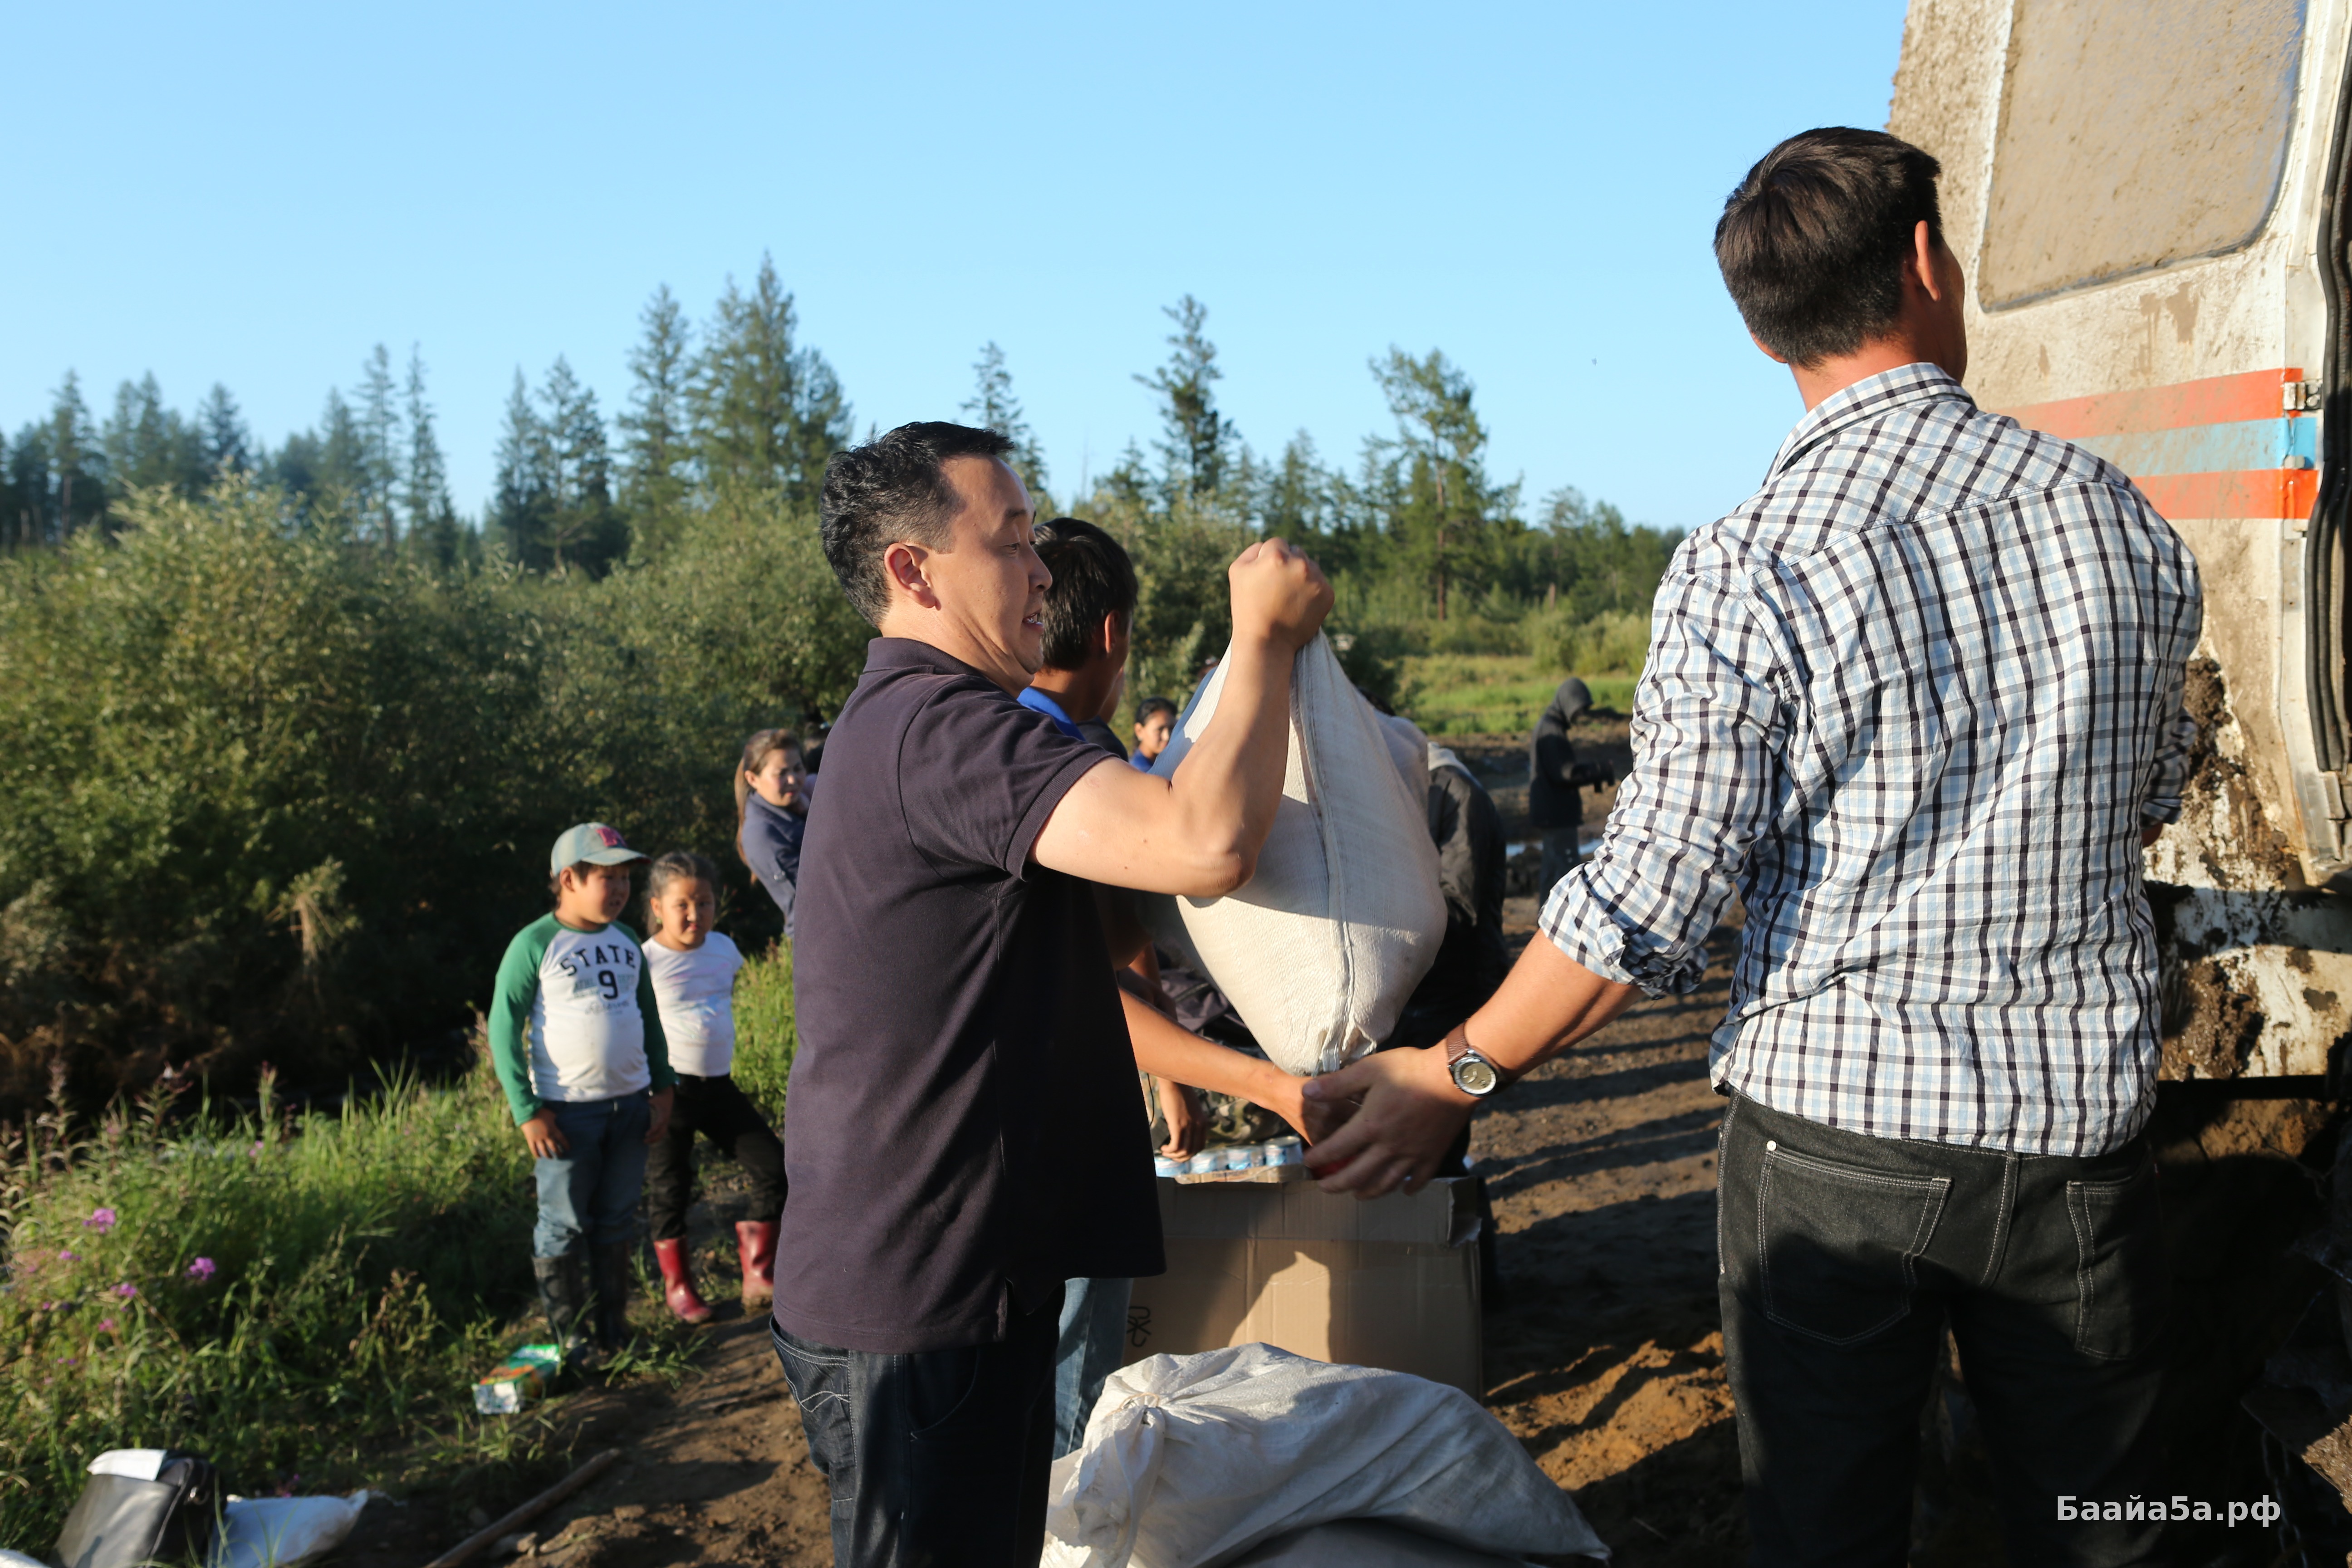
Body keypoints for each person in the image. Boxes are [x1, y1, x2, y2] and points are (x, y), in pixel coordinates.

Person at [1301, 128, 2200, 1568]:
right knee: (2114, 1530)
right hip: (2074, 1145)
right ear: (1926, 262)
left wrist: (1455, 1071)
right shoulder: (2117, 521)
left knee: (1822, 1536)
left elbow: (1653, 893)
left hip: (1835, 1150)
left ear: (1764, 330)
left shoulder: (1752, 561)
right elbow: (2148, 794)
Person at [772, 421, 1329, 1568]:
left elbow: (1088, 956)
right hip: (922, 1302)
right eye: (1013, 541)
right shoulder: (942, 730)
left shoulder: (922, 725)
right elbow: (1207, 844)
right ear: (913, 570)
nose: (1040, 572)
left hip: (957, 1281)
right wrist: (1262, 639)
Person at [488, 823, 676, 1361]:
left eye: (625, 879)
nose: (619, 890)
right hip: (566, 1115)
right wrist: (527, 1111)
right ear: (568, 879)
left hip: (630, 1108)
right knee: (564, 1225)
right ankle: (571, 1342)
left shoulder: (627, 942)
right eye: (606, 878)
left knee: (617, 1218)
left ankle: (614, 1332)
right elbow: (503, 1028)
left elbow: (648, 1017)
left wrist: (663, 1087)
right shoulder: (535, 943)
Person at [639, 849, 786, 1325]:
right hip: (669, 1093)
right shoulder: (645, 961)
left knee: (774, 1167)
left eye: (703, 903)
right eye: (681, 904)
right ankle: (679, 1289)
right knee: (671, 1188)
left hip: (719, 1086)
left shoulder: (724, 949)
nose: (694, 914)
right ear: (657, 907)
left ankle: (759, 1276)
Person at [1529, 677, 1611, 902]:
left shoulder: (1549, 725)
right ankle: (1564, 916)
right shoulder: (1552, 730)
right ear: (1567, 702)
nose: (1579, 715)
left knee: (1553, 870)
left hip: (1551, 813)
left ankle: (1545, 914)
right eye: (1579, 709)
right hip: (1557, 814)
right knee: (1566, 872)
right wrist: (1598, 771)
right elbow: (1566, 773)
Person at [736, 729, 808, 938]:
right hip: (820, 940)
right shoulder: (762, 834)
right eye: (781, 774)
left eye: (798, 769)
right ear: (753, 779)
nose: (793, 780)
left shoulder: (800, 805)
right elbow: (809, 896)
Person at [1130, 695, 1178, 771]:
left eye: (1171, 729)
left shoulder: (1167, 765)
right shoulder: (1139, 772)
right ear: (1139, 731)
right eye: (1159, 730)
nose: (1167, 737)